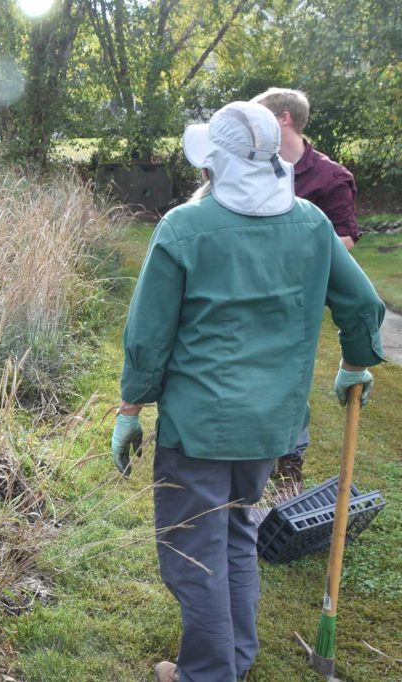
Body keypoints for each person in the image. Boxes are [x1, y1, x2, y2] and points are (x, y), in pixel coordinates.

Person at [109, 102, 385, 682]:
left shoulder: (185, 228)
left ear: (215, 164)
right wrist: (356, 361)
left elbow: (148, 334)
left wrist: (131, 407)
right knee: (236, 535)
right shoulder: (310, 222)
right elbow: (363, 305)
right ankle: (232, 660)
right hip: (269, 428)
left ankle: (206, 674)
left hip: (200, 429)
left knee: (193, 553)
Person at [253, 87, 362, 492]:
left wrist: (298, 243)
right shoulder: (256, 165)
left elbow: (347, 237)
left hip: (298, 294)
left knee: (289, 376)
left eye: (260, 115)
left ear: (283, 118)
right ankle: (248, 462)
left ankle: (289, 465)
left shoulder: (330, 176)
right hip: (250, 284)